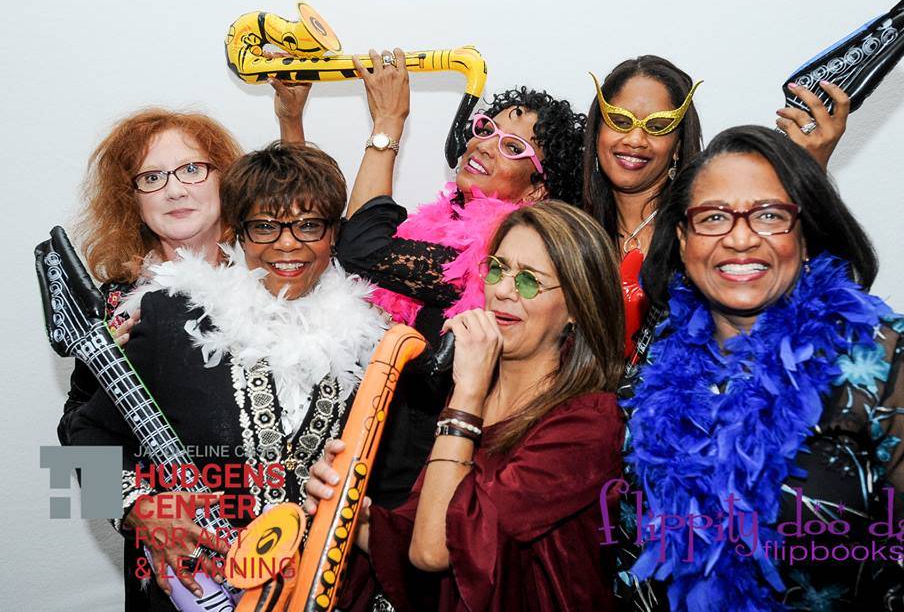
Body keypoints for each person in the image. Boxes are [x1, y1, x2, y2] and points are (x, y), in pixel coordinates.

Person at [620, 126, 904, 610]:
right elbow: (635, 565)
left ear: (805, 233)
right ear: (682, 237)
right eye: (714, 217)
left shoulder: (886, 360)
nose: (740, 238)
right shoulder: (655, 368)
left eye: (770, 215)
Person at [69, 142, 387, 610]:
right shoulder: (172, 317)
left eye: (308, 225)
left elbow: (400, 484)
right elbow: (80, 435)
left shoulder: (374, 340)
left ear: (333, 233)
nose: (286, 244)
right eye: (265, 227)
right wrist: (136, 508)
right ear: (238, 234)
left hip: (330, 594)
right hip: (198, 591)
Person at [276, 51, 588, 509]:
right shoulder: (430, 234)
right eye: (486, 130)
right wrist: (292, 122)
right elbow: (344, 238)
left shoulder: (493, 260)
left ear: (537, 189)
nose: (484, 145)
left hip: (419, 493)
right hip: (362, 464)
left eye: (514, 148)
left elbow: (363, 247)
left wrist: (388, 121)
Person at [307, 201, 627, 611]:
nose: (503, 291)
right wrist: (352, 514)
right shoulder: (475, 396)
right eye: (497, 268)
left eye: (529, 281)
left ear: (576, 311)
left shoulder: (588, 422)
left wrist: (467, 396)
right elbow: (421, 528)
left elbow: (436, 548)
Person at [581, 56, 850, 359]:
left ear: (678, 145)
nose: (635, 139)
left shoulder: (709, 232)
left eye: (657, 126)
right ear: (597, 131)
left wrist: (807, 174)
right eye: (620, 121)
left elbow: (803, 298)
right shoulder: (569, 227)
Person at [58, 108, 243, 445]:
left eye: (191, 169)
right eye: (152, 178)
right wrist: (99, 371)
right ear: (134, 201)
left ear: (226, 179)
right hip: (165, 494)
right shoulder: (115, 301)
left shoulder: (271, 274)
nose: (174, 191)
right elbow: (75, 433)